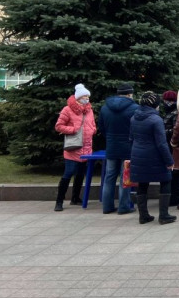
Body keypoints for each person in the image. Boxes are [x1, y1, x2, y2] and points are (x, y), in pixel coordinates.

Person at [129, 92, 176, 224]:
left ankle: (143, 216)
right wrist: (169, 161)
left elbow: (131, 139)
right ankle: (164, 215)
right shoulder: (156, 120)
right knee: (166, 180)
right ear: (155, 104)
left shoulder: (133, 118)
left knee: (142, 183)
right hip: (155, 156)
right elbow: (161, 143)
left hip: (138, 155)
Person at [54, 83, 97, 211]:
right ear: (78, 98)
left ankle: (75, 198)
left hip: (86, 147)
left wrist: (93, 129)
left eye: (88, 97)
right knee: (68, 173)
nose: (86, 99)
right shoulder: (67, 110)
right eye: (84, 97)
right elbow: (59, 126)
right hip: (73, 147)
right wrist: (73, 129)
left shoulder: (89, 110)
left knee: (80, 174)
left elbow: (92, 124)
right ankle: (59, 201)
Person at [97, 82, 138, 215]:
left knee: (109, 177)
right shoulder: (134, 108)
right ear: (129, 94)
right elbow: (136, 129)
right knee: (125, 178)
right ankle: (123, 206)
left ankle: (107, 207)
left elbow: (101, 128)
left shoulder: (104, 108)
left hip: (111, 146)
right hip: (128, 147)